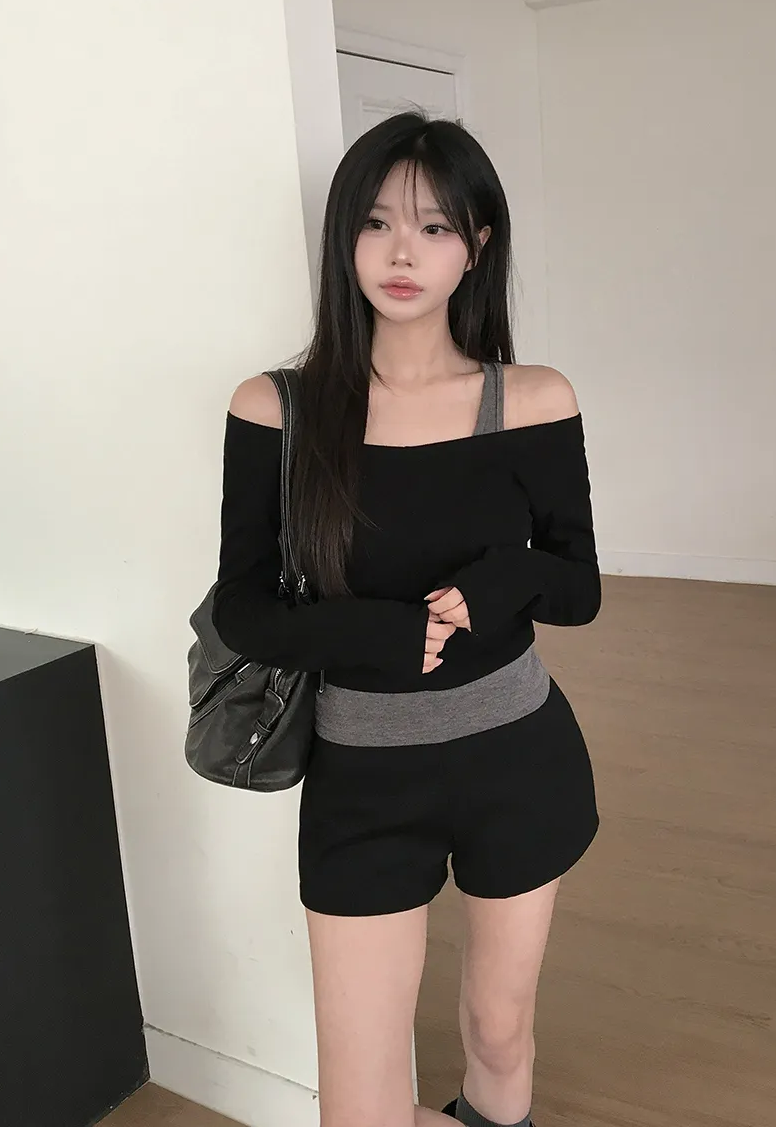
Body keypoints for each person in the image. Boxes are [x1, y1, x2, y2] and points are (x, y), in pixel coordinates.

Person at [212, 111, 601, 1127]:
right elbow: (244, 608)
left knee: (499, 1036)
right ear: (344, 237)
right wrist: (370, 634)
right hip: (363, 780)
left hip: (517, 761)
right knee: (360, 1100)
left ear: (477, 246)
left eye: (433, 227)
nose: (400, 252)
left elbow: (578, 587)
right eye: (376, 222)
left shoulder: (533, 399)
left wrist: (500, 581)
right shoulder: (276, 410)